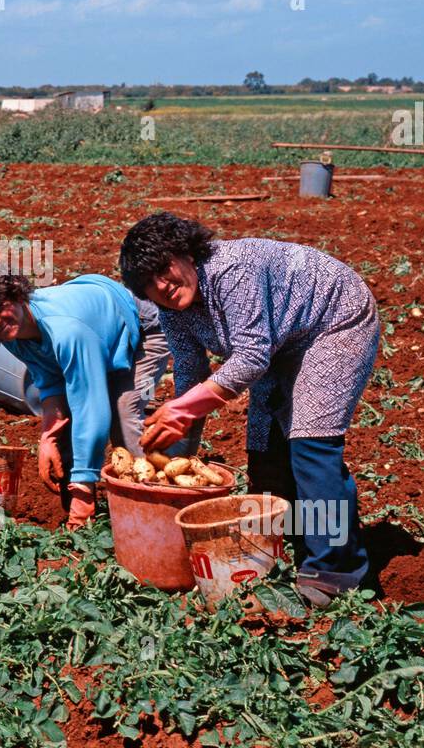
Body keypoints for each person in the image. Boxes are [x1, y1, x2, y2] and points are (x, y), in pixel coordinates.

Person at [118, 212, 379, 608]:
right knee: (263, 443)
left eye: (163, 268)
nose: (163, 286)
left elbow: (252, 357)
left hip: (334, 321)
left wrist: (182, 409)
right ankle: (281, 544)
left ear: (185, 252)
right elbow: (191, 371)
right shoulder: (172, 309)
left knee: (311, 443)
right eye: (148, 284)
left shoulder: (229, 270)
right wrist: (177, 455)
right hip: (283, 342)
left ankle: (334, 571)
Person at [0, 272, 172, 529]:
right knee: (70, 428)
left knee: (122, 413)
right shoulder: (11, 335)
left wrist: (83, 480)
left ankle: (150, 511)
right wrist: (49, 437)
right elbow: (49, 381)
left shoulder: (65, 329)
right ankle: (80, 517)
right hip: (96, 330)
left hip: (143, 328)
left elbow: (91, 407)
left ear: (14, 296)